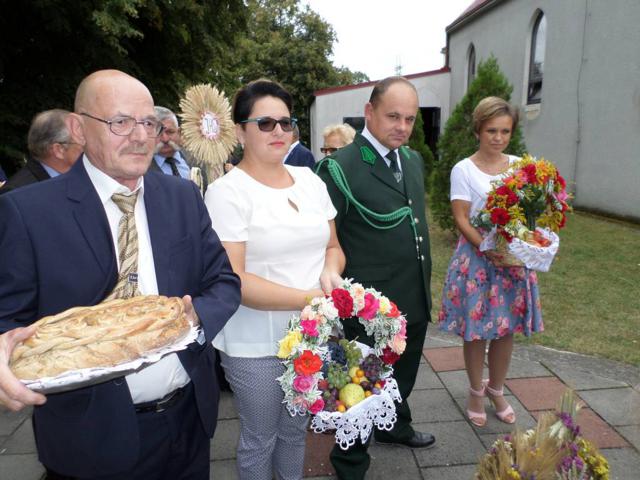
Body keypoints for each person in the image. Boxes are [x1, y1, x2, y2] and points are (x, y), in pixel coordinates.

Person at [0, 69, 241, 480]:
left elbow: (223, 282)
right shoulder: (27, 212)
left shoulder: (182, 197)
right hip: (88, 437)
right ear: (78, 128)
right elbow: (8, 317)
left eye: (148, 122)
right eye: (120, 122)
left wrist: (192, 319)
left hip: (187, 425)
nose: (141, 136)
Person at [204, 79, 345, 480]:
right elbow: (236, 279)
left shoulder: (310, 180)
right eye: (265, 123)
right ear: (240, 131)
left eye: (286, 122)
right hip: (256, 342)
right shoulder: (227, 193)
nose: (279, 131)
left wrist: (331, 273)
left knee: (295, 432)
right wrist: (309, 298)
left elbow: (333, 246)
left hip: (311, 334)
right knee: (260, 438)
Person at [316, 76, 434, 480]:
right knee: (361, 387)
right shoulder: (340, 167)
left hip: (413, 293)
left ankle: (394, 426)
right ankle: (350, 463)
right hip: (369, 308)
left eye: (410, 119)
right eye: (393, 116)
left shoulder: (412, 161)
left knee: (405, 371)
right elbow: (325, 240)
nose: (402, 127)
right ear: (369, 112)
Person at [438, 96, 543, 428]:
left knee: (505, 330)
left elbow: (531, 211)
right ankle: (475, 392)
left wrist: (528, 240)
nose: (498, 138)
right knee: (476, 332)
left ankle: (496, 389)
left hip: (512, 261)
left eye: (505, 131)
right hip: (478, 260)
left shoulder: (521, 166)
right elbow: (461, 217)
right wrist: (486, 247)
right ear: (478, 131)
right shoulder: (463, 169)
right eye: (491, 131)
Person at [0, 109, 83, 194]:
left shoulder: (80, 178)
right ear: (59, 150)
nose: (87, 148)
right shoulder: (17, 193)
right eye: (83, 143)